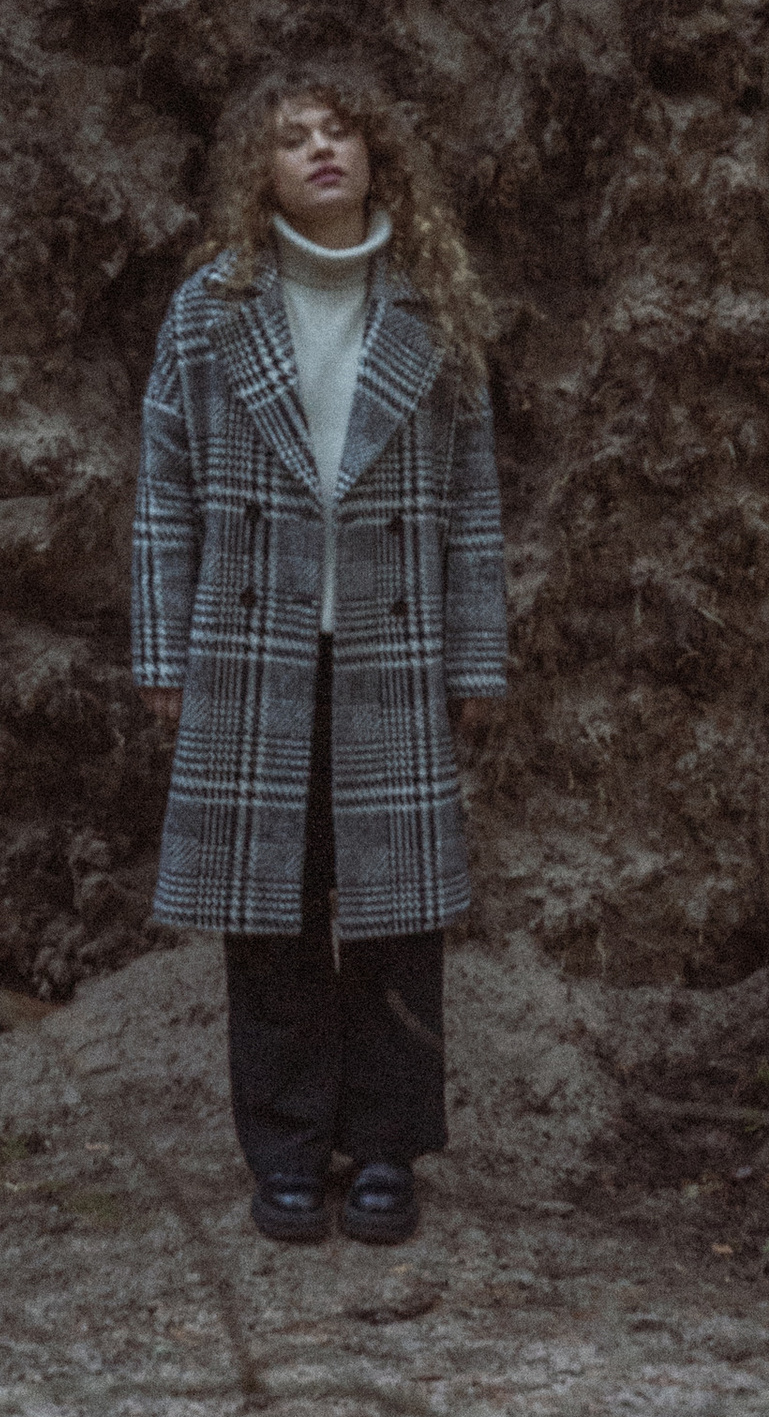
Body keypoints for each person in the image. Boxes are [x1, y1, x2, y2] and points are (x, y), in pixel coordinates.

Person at [131, 61, 507, 1246]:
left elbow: (473, 501)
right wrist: (163, 657)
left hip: (392, 647)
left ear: (376, 154)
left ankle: (387, 1150)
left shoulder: (431, 305)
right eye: (293, 139)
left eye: (339, 132)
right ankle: (287, 1154)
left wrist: (476, 659)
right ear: (263, 172)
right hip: (251, 648)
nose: (321, 151)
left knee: (396, 911)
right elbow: (164, 493)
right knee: (273, 913)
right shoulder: (208, 309)